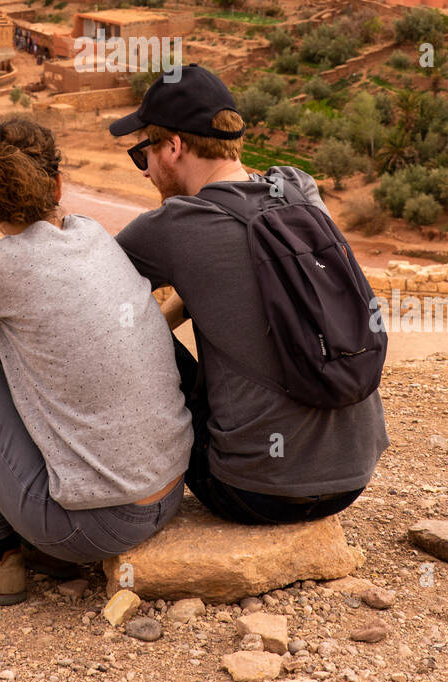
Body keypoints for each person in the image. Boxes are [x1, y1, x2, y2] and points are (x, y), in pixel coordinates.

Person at [0, 115, 192, 605]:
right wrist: (4, 322)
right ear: (58, 183)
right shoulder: (93, 233)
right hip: (170, 493)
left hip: (98, 528)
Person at [109, 63, 389, 527]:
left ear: (174, 147)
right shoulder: (300, 193)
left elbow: (83, 292)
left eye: (144, 155)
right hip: (354, 479)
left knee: (127, 338)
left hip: (250, 492)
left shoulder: (174, 226)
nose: (145, 172)